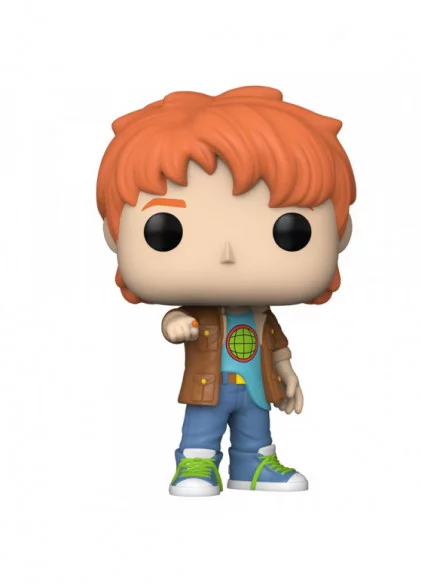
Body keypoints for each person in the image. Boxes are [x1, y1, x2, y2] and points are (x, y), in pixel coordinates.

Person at [96, 86, 356, 496]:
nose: (228, 253)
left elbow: (276, 346)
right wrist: (175, 323)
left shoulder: (264, 315)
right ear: (115, 236)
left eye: (290, 230)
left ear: (341, 235)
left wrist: (287, 374)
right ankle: (196, 464)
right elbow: (175, 321)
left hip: (256, 387)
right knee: (202, 428)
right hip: (209, 387)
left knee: (257, 428)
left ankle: (254, 466)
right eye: (166, 230)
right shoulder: (198, 311)